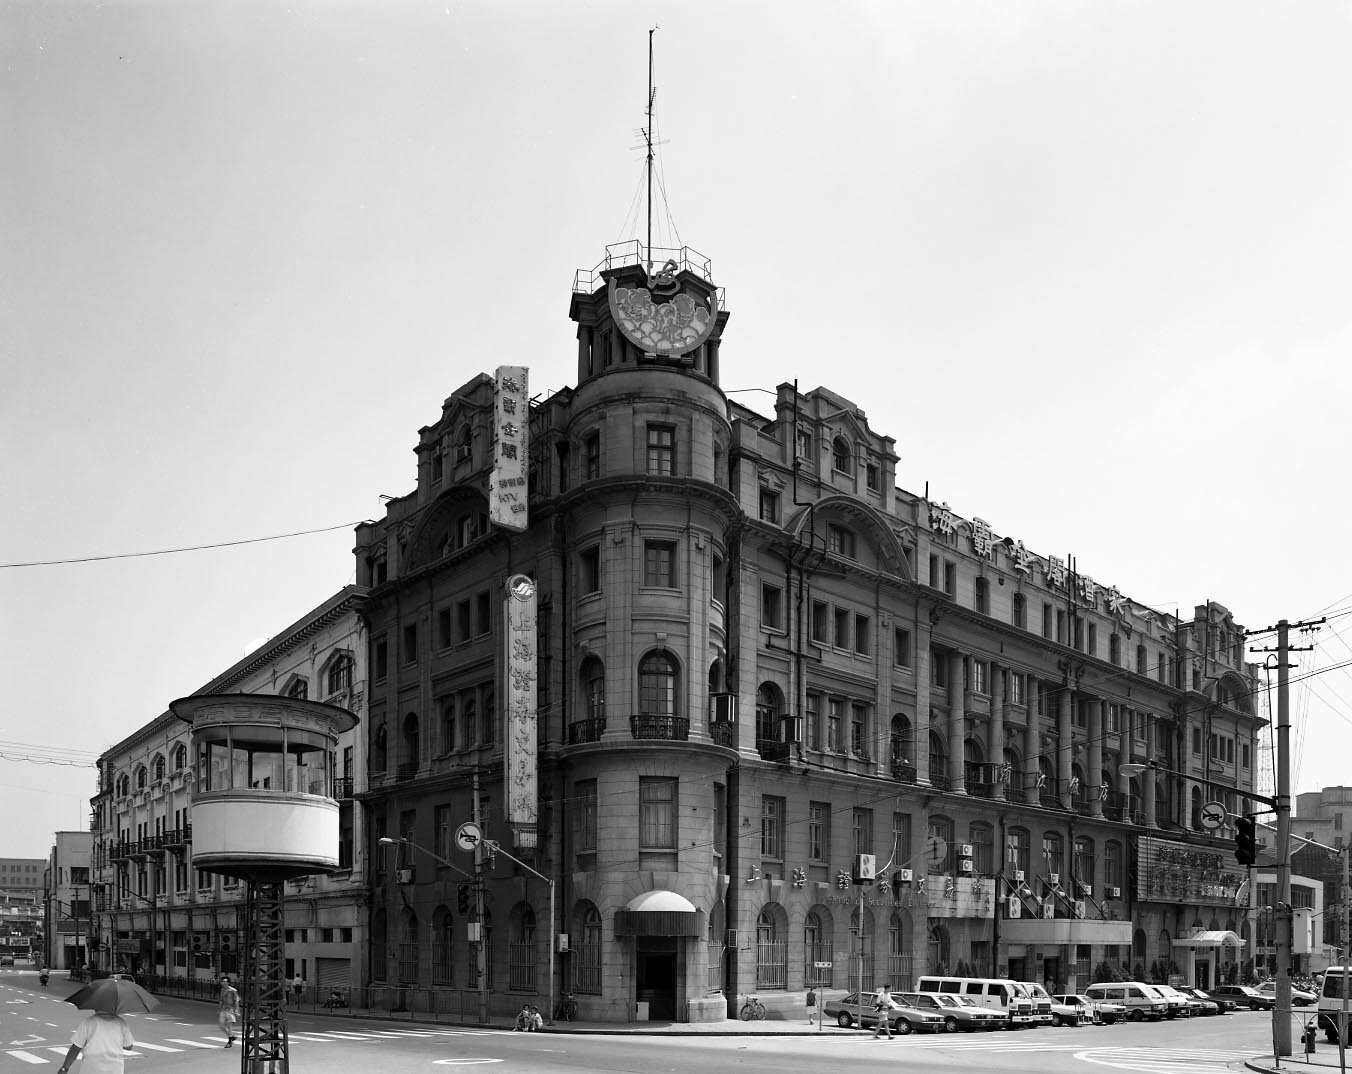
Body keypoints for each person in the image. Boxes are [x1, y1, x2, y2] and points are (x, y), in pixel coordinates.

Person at [57, 1010, 134, 1074]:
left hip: (91, 1068)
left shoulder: (88, 1022)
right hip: (115, 1069)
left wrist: (64, 1068)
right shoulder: (122, 1023)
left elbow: (76, 1048)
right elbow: (129, 1046)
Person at [218, 975, 240, 1048]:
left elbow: (236, 1001)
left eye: (225, 981)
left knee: (229, 1026)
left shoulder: (233, 990)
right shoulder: (222, 990)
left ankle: (229, 1042)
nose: (223, 982)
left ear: (228, 982)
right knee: (221, 1026)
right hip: (223, 1009)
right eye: (222, 981)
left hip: (230, 1010)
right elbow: (221, 1000)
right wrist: (219, 1009)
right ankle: (232, 1036)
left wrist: (236, 1010)